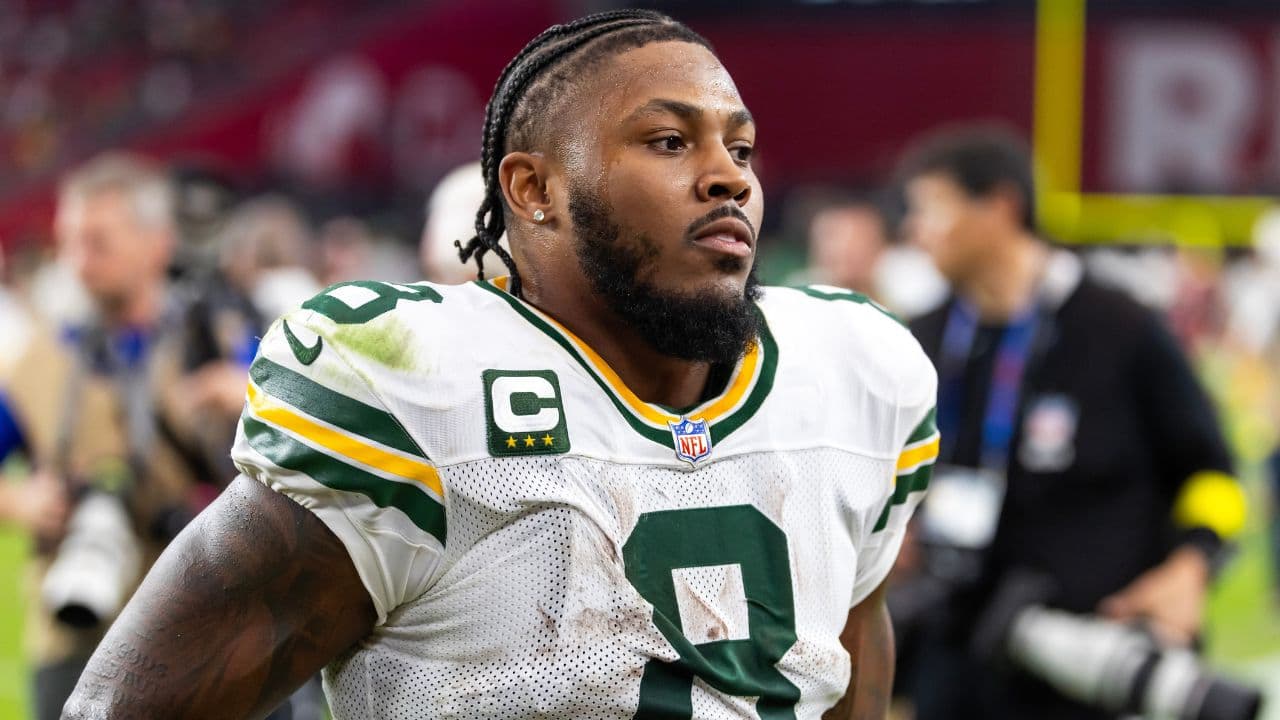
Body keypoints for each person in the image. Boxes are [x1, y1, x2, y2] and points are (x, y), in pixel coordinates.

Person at [64, 10, 938, 719]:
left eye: (738, 149)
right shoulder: (419, 393)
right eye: (670, 142)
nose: (727, 178)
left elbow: (843, 668)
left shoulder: (850, 373)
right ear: (532, 189)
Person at [896, 126, 1246, 719]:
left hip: (1089, 663)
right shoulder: (920, 338)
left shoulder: (1121, 328)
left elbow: (1214, 474)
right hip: (957, 656)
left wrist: (1192, 567)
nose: (914, 229)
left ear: (1000, 206)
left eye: (932, 208)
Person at [0, 152, 256, 720]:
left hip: (202, 618)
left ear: (157, 243)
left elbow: (317, 445)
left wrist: (252, 395)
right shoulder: (38, 360)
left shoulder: (217, 338)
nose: (77, 261)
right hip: (73, 626)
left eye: (98, 242)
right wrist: (20, 500)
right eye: (69, 242)